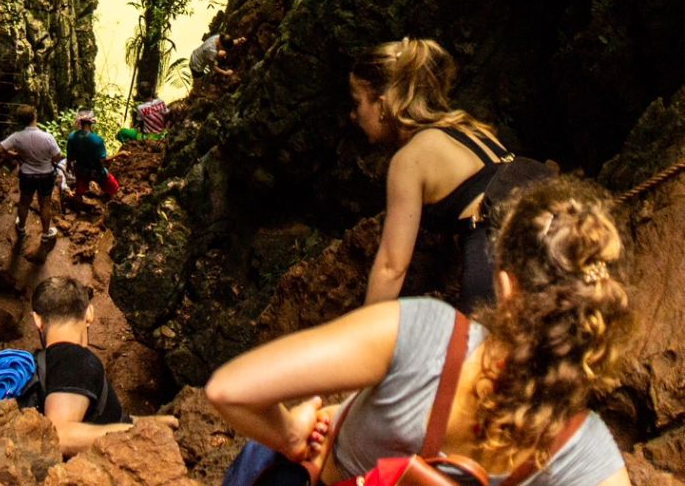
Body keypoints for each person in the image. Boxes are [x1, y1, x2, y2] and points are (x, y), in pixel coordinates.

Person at [205, 176, 631, 486]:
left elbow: (230, 389)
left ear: (506, 288)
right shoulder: (584, 449)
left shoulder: (428, 334)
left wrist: (292, 436)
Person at [349, 36, 518, 314]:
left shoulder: (409, 160)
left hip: (500, 252)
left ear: (381, 105)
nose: (354, 116)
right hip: (554, 231)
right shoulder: (469, 128)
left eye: (357, 103)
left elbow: (392, 266)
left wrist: (360, 337)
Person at [22, 276, 178, 455]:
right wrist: (137, 435)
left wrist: (150, 424)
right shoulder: (75, 360)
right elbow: (59, 436)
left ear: (37, 320)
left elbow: (102, 421)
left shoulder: (41, 364)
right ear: (89, 314)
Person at [0, 104, 62, 246]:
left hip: (27, 175)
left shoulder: (17, 137)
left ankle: (21, 228)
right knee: (45, 204)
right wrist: (46, 159)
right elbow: (57, 157)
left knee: (24, 202)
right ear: (35, 116)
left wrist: (13, 156)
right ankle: (45, 235)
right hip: (46, 175)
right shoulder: (47, 137)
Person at [67, 110, 118, 201]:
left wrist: (69, 166)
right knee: (114, 187)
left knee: (80, 188)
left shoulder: (72, 136)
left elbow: (70, 157)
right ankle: (109, 204)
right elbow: (103, 161)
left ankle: (78, 203)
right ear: (91, 122)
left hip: (80, 170)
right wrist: (119, 154)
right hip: (96, 172)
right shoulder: (97, 140)